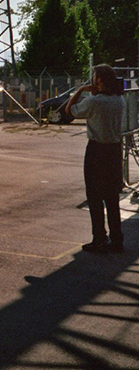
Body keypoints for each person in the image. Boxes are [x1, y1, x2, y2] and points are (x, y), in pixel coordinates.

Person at [65, 64, 126, 253]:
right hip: (114, 150)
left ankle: (99, 238)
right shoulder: (120, 100)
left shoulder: (94, 101)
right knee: (112, 197)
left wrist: (81, 90)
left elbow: (69, 110)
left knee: (95, 197)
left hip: (97, 151)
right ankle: (117, 239)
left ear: (98, 80)